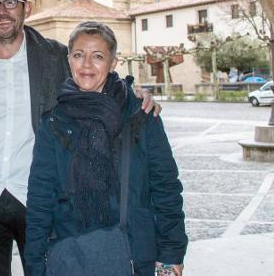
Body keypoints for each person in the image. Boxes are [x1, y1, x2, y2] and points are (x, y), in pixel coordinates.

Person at [0, 0, 160, 276]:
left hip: (40, 198)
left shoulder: (55, 56)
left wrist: (133, 94)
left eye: (10, 2)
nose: (2, 11)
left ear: (26, 8)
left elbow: (93, 76)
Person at [25, 21, 187, 276]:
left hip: (134, 254)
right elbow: (40, 200)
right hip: (71, 256)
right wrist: (34, 266)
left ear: (113, 62)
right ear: (69, 60)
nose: (86, 64)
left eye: (98, 56)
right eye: (79, 55)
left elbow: (166, 188)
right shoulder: (53, 121)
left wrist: (171, 255)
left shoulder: (141, 114)